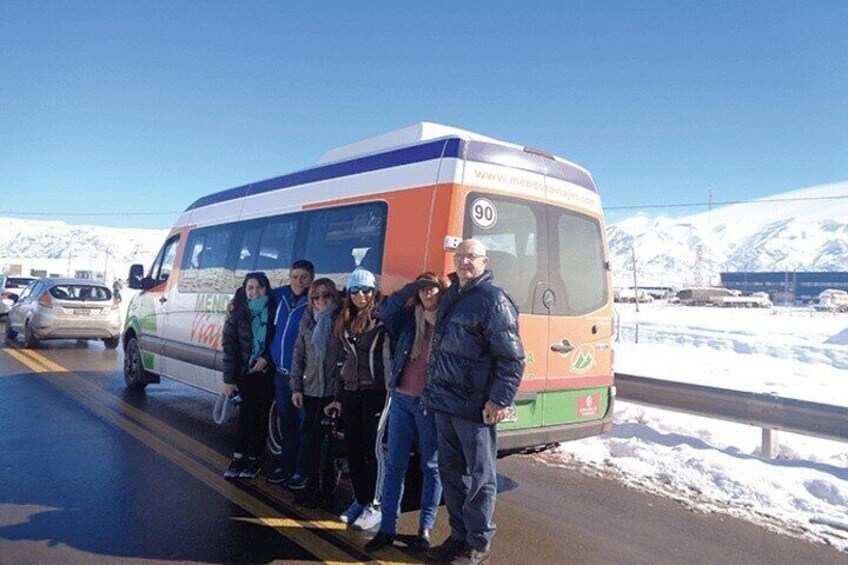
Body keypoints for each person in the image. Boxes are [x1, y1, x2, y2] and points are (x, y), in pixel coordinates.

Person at [423, 239, 525, 565]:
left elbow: (511, 359)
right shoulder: (454, 294)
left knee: (481, 479)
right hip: (446, 403)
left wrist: (498, 400)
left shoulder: (493, 300)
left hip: (475, 408)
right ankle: (458, 536)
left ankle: (478, 545)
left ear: (484, 261)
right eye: (460, 256)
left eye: (471, 256)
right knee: (452, 475)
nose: (464, 262)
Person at [365, 272, 447, 553]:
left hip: (430, 404)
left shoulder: (448, 323)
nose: (427, 293)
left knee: (431, 467)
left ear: (441, 292)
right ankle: (387, 528)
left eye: (432, 288)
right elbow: (386, 311)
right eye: (422, 289)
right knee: (395, 465)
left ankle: (425, 529)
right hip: (401, 398)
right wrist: (411, 287)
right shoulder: (409, 320)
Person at [324, 267, 389, 531]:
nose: (361, 295)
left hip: (376, 392)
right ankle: (360, 499)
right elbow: (343, 361)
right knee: (353, 448)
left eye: (366, 290)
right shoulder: (345, 319)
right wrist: (337, 397)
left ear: (374, 291)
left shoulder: (382, 318)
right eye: (355, 290)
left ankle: (375, 504)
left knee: (373, 451)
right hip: (351, 391)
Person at [289, 278, 345, 509]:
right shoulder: (307, 322)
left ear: (334, 296)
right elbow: (298, 356)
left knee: (328, 447)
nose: (321, 300)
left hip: (332, 394)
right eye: (316, 296)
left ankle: (327, 491)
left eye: (326, 295)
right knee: (310, 443)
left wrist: (340, 396)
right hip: (310, 391)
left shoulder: (342, 321)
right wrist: (296, 388)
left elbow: (347, 360)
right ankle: (310, 486)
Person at [222, 272, 277, 480]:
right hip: (244, 375)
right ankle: (238, 457)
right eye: (250, 288)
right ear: (244, 291)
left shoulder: (274, 310)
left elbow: (277, 340)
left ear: (266, 289)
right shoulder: (237, 313)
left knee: (261, 418)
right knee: (245, 418)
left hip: (265, 373)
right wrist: (229, 380)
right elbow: (229, 349)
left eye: (260, 287)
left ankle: (254, 458)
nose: (255, 292)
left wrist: (266, 358)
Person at [267, 260, 314, 487]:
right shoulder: (281, 295)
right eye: (295, 276)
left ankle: (301, 471)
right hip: (281, 373)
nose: (298, 281)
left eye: (303, 277)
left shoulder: (315, 300)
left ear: (311, 279)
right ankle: (285, 466)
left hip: (303, 377)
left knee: (304, 425)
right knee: (286, 422)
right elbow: (252, 296)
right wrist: (234, 306)